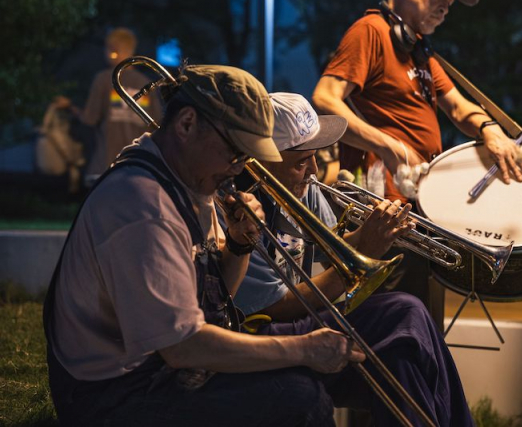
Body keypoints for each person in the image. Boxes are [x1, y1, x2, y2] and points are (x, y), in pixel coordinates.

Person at [44, 64, 366, 426]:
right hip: (114, 394)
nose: (239, 167)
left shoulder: (189, 182)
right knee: (300, 400)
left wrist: (240, 246)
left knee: (320, 375)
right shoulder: (144, 207)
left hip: (163, 370)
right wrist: (304, 349)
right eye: (235, 152)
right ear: (186, 125)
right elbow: (183, 346)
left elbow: (211, 299)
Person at [312, 0, 522, 315]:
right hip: (381, 208)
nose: (446, 9)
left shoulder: (419, 51)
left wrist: (491, 130)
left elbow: (458, 106)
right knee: (390, 320)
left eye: (450, 4)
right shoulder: (371, 31)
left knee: (420, 318)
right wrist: (386, 144)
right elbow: (324, 98)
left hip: (416, 208)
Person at [233, 92, 475, 426]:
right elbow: (272, 306)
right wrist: (366, 253)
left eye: (316, 157)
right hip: (259, 333)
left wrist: (373, 234)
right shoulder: (241, 205)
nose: (314, 171)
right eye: (302, 161)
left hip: (301, 319)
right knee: (406, 310)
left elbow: (333, 249)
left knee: (401, 357)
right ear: (263, 160)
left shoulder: (302, 186)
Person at [55, 27, 162, 183]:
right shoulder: (146, 84)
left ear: (114, 50)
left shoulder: (104, 79)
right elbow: (157, 124)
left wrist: (70, 106)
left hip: (105, 166)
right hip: (139, 168)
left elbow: (89, 119)